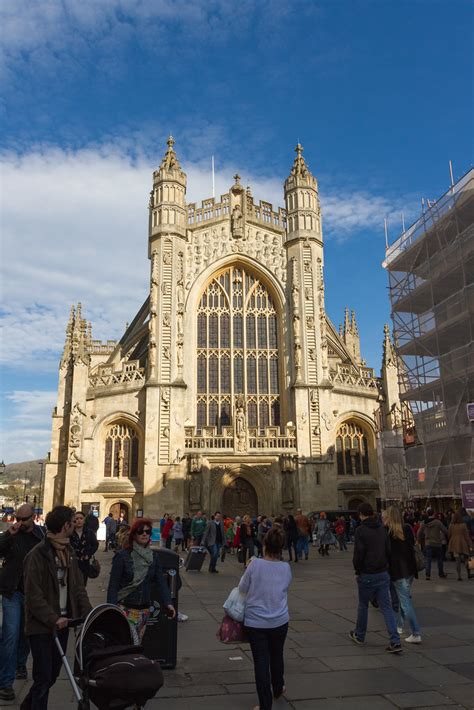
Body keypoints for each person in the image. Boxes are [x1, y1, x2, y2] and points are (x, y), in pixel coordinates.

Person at [21, 505, 92, 710]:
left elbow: (78, 588)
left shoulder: (68, 551)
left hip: (63, 623)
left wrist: (89, 615)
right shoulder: (37, 555)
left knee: (52, 675)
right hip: (41, 626)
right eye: (72, 521)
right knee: (43, 677)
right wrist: (53, 618)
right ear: (65, 526)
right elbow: (33, 596)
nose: (75, 525)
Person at [239, 526, 292, 710]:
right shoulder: (286, 567)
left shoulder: (255, 564)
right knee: (277, 655)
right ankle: (278, 688)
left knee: (261, 662)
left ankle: (265, 705)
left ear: (264, 545)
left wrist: (250, 568)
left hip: (256, 622)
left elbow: (242, 588)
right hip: (280, 620)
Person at [0, 504, 45, 703]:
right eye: (17, 518)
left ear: (33, 518)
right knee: (9, 634)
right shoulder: (12, 534)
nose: (19, 522)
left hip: (32, 594)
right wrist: (8, 534)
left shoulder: (41, 536)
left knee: (25, 634)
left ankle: (20, 664)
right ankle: (5, 683)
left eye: (24, 519)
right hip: (12, 591)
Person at [107, 518, 176, 643]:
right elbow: (113, 585)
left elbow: (160, 582)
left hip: (144, 611)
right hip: (125, 609)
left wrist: (168, 603)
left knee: (136, 643)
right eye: (140, 531)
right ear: (134, 534)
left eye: (147, 531)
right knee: (127, 644)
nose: (144, 534)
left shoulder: (153, 557)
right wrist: (111, 610)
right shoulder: (122, 556)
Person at [350, 502, 402, 653]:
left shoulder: (361, 530)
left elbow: (359, 554)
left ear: (361, 514)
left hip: (367, 573)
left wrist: (357, 571)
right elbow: (388, 551)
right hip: (382, 573)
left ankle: (360, 635)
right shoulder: (382, 528)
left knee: (363, 605)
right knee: (387, 608)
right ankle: (395, 640)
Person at [385, 506, 422, 644]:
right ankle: (399, 626)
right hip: (410, 570)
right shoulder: (407, 528)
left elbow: (387, 554)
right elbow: (411, 546)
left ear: (389, 517)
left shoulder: (388, 532)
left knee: (405, 602)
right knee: (404, 598)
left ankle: (416, 632)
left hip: (398, 571)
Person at [418, 508, 448, 580]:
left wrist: (420, 538)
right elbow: (445, 531)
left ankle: (428, 575)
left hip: (428, 543)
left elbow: (419, 533)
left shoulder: (424, 522)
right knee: (439, 559)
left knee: (428, 559)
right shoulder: (438, 522)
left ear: (427, 514)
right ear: (433, 513)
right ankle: (441, 573)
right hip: (437, 543)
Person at [70, 510, 99, 586]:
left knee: (82, 584)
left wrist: (89, 554)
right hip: (72, 563)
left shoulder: (89, 532)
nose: (79, 520)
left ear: (84, 520)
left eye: (81, 518)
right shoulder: (70, 532)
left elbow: (95, 544)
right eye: (77, 519)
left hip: (84, 562)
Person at [448, 509, 472, 581]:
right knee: (466, 559)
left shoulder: (451, 525)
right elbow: (467, 536)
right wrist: (470, 544)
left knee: (457, 560)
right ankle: (468, 573)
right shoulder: (463, 525)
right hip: (463, 543)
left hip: (454, 543)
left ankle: (459, 576)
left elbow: (449, 535)